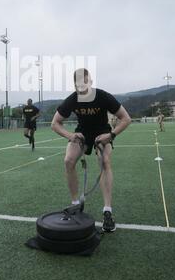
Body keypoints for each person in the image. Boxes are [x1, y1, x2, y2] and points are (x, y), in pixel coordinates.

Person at [51, 68, 131, 232]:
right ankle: (75, 205)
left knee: (104, 161)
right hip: (83, 134)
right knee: (68, 160)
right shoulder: (72, 100)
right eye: (78, 83)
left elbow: (126, 119)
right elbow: (55, 123)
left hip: (103, 132)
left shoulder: (103, 96)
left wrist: (111, 135)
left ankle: (107, 211)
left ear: (91, 81)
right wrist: (70, 135)